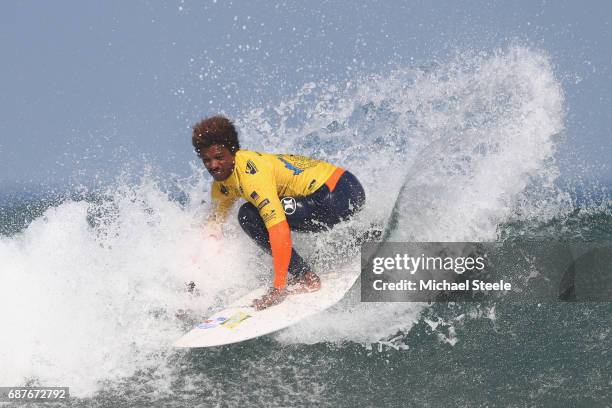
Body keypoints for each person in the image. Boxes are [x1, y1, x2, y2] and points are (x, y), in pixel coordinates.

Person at [193, 115, 366, 310]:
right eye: (206, 160)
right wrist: (195, 280)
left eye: (219, 157)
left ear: (233, 152)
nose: (213, 165)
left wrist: (278, 287)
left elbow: (279, 230)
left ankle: (307, 278)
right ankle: (363, 237)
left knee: (249, 215)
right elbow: (213, 228)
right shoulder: (221, 185)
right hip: (342, 187)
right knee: (249, 213)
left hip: (338, 195)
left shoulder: (252, 176)